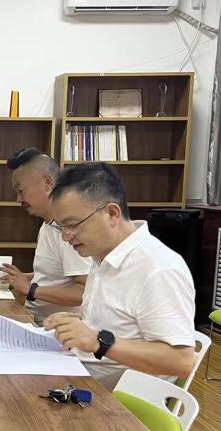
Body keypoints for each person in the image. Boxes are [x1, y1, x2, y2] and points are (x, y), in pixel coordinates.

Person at [43, 162, 196, 389]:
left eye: (73, 225)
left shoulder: (157, 268)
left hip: (116, 401)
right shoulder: (102, 255)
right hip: (81, 376)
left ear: (112, 213)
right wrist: (77, 326)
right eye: (61, 228)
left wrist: (98, 341)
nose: (66, 237)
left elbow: (180, 361)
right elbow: (116, 326)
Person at [0, 147, 92, 320]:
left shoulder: (68, 229)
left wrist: (30, 288)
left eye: (21, 191)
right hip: (32, 318)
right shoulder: (48, 223)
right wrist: (21, 278)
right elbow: (56, 276)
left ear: (47, 183)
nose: (18, 199)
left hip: (52, 329)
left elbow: (84, 292)